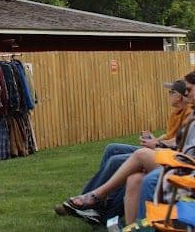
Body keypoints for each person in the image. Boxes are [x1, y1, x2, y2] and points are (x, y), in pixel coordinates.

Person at [60, 75, 195, 226]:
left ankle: (95, 201)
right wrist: (156, 140)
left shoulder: (189, 113)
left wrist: (157, 144)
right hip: (175, 156)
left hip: (182, 163)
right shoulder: (179, 113)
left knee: (120, 160)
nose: (170, 95)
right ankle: (116, 218)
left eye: (172, 92)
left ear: (180, 96)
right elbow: (176, 138)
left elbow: (178, 142)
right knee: (123, 164)